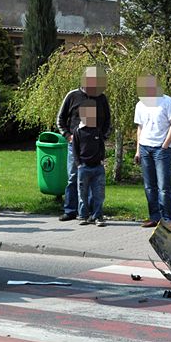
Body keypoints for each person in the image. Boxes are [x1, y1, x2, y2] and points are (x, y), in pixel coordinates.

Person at [56, 66, 111, 221]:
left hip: (95, 146)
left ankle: (93, 213)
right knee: (74, 177)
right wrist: (68, 136)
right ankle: (70, 210)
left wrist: (103, 138)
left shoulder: (101, 98)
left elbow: (108, 120)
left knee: (95, 181)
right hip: (76, 145)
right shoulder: (72, 96)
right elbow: (60, 119)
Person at [134, 75, 171, 229]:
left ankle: (169, 219)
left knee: (164, 186)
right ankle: (155, 217)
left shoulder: (167, 102)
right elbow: (140, 128)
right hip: (145, 147)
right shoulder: (140, 104)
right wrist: (138, 150)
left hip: (161, 149)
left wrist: (165, 145)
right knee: (149, 186)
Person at [71, 99, 107, 226]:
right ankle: (83, 216)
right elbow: (75, 149)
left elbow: (101, 146)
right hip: (84, 167)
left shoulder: (97, 130)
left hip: (97, 167)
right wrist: (79, 164)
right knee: (83, 193)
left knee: (99, 193)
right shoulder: (78, 131)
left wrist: (102, 159)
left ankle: (97, 216)